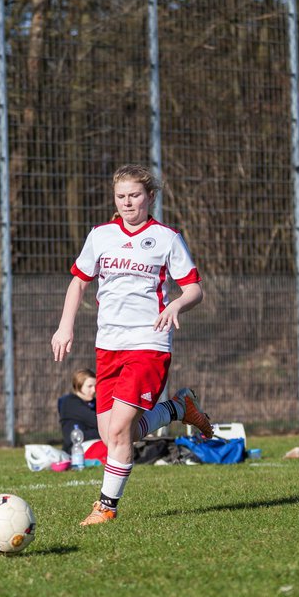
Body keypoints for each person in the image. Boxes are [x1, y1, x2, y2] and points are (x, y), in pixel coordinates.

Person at [50, 163, 214, 525]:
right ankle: (177, 408)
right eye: (121, 196)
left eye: (135, 196)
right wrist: (65, 327)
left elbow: (194, 289)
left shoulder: (167, 238)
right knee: (113, 439)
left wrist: (176, 304)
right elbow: (78, 283)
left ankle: (106, 508)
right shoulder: (100, 235)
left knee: (121, 431)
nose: (127, 203)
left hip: (149, 342)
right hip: (108, 345)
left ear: (150, 197)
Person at [57, 368, 108, 462]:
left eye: (95, 386)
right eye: (89, 386)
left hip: (94, 442)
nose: (93, 390)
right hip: (78, 448)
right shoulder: (70, 402)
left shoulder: (93, 403)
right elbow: (99, 422)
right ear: (79, 385)